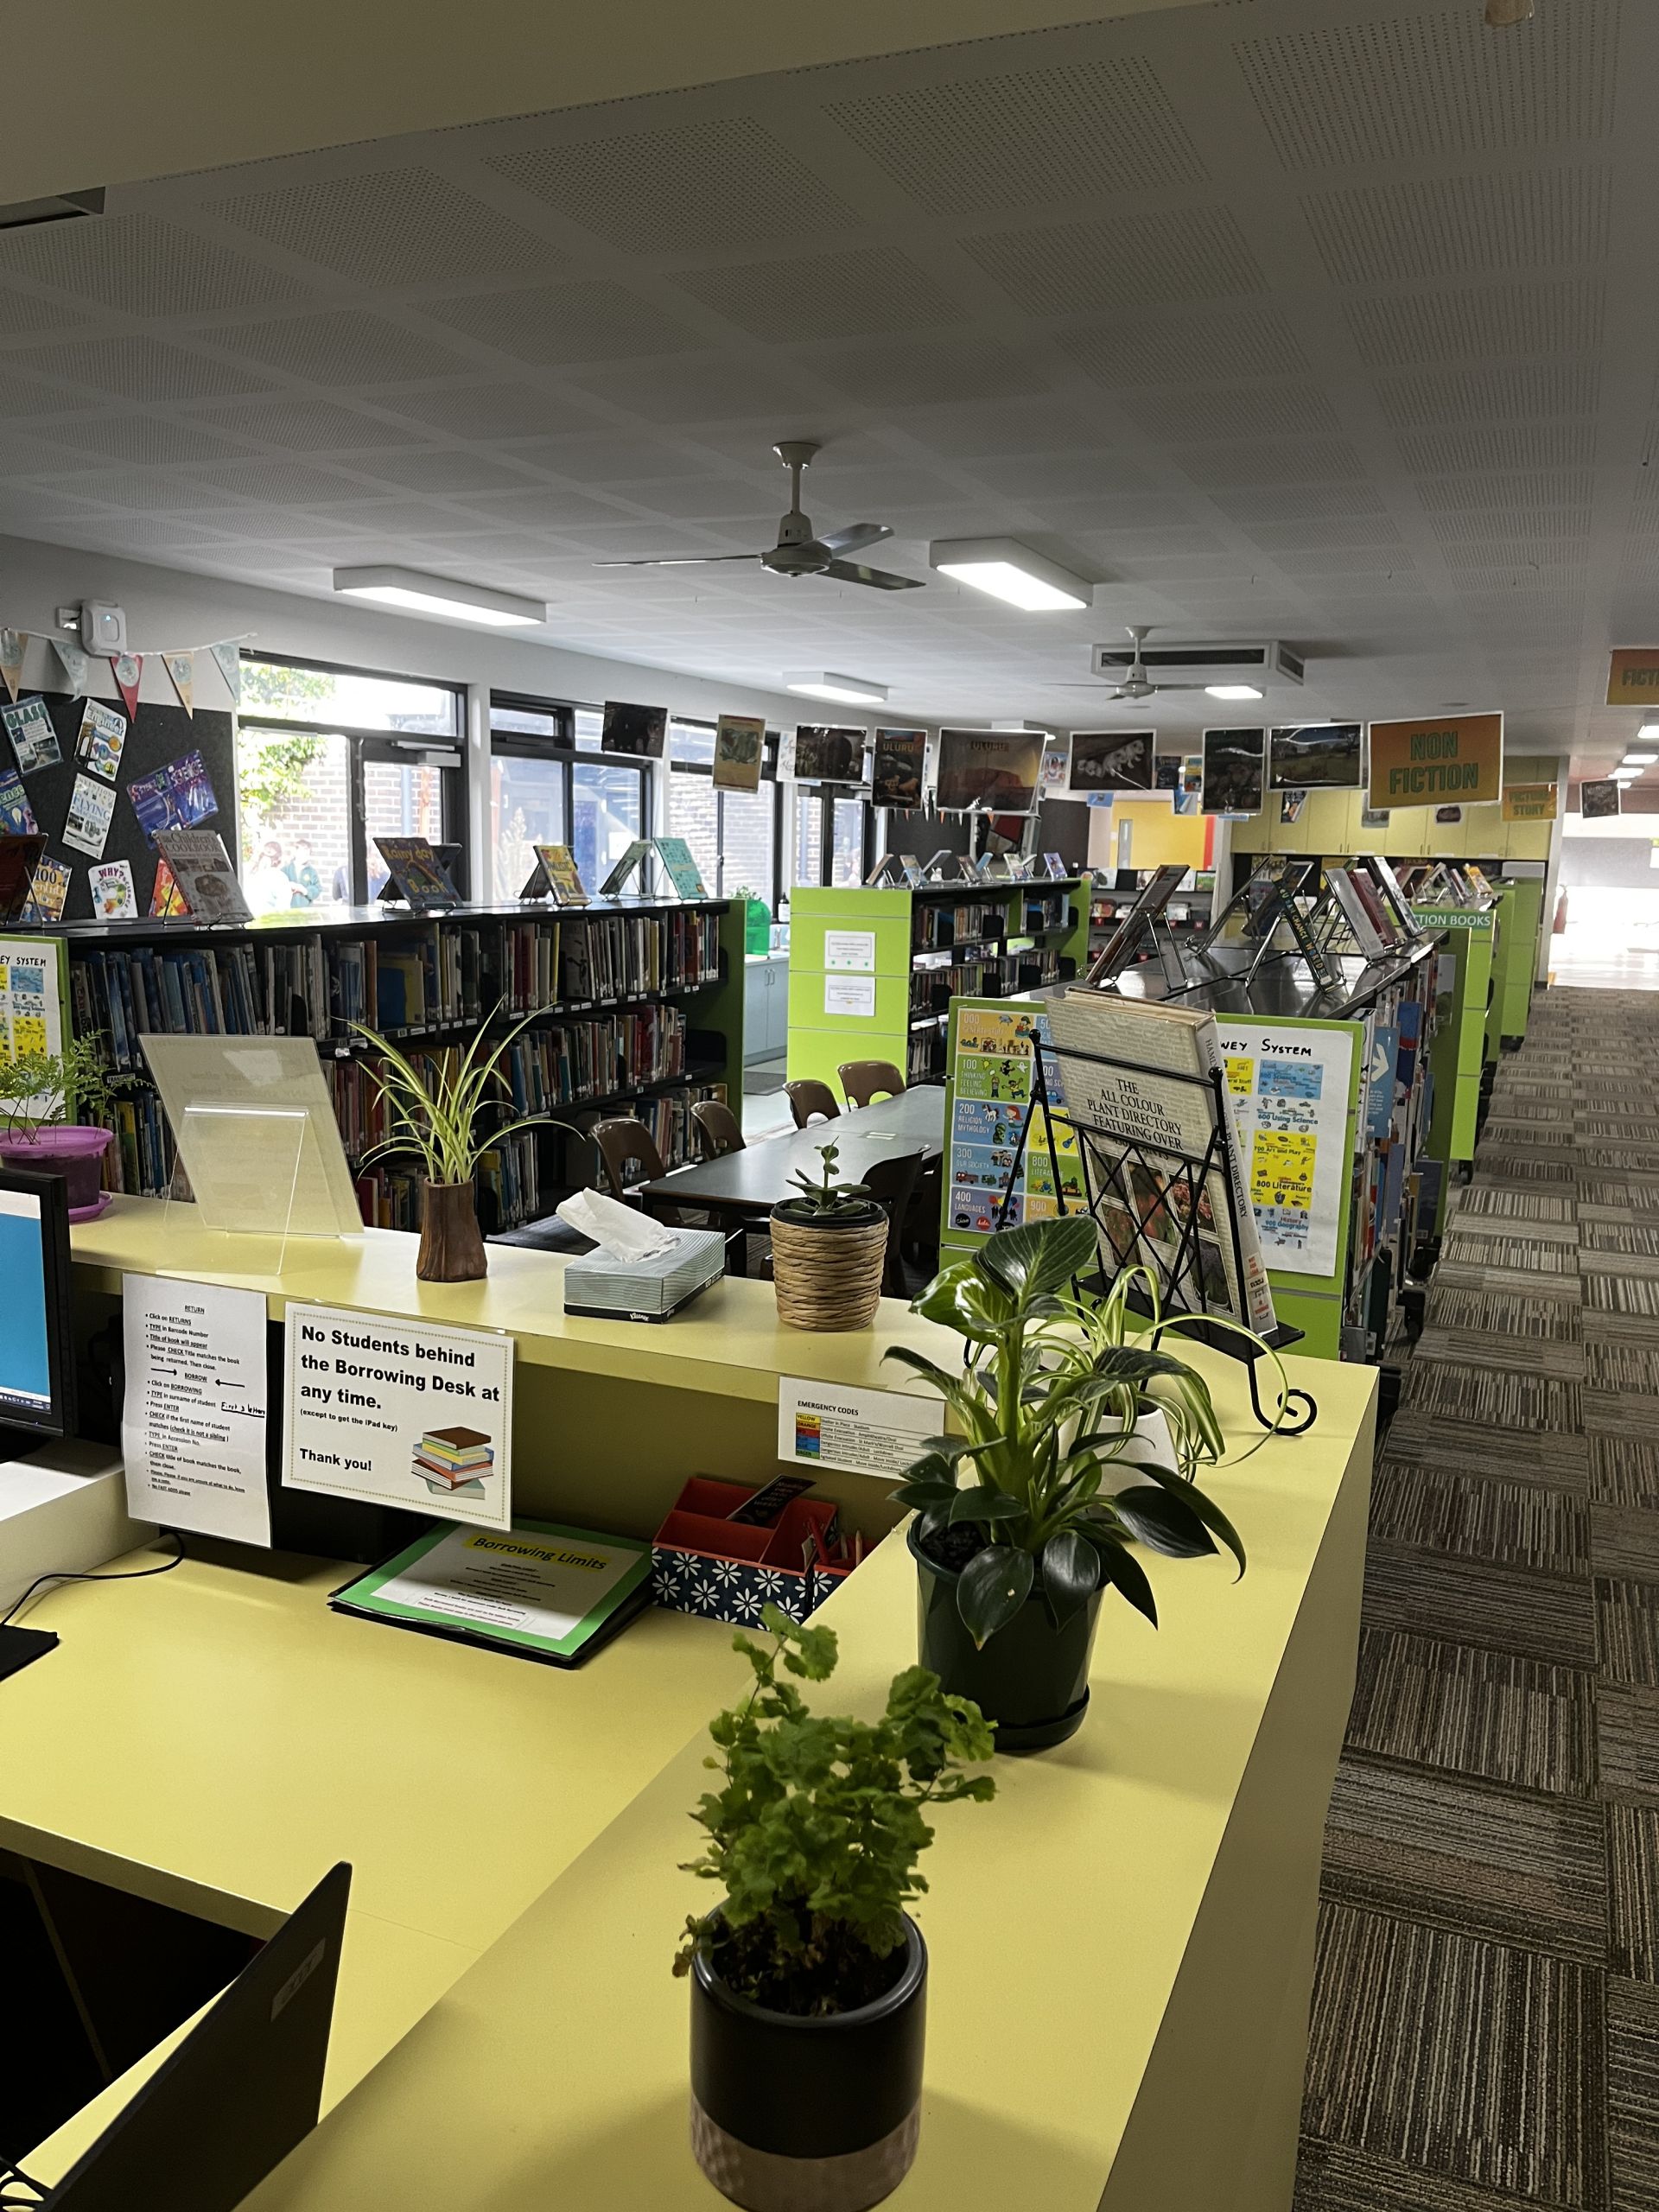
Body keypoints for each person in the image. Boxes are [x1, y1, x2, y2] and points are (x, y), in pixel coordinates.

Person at [247, 838, 290, 915]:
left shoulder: (279, 877)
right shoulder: (250, 874)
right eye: (263, 854)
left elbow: (283, 908)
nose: (265, 858)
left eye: (270, 855)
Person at [284, 837, 321, 907]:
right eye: (302, 853)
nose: (304, 856)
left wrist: (305, 890)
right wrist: (289, 886)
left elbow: (317, 889)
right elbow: (278, 888)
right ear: (295, 852)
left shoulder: (311, 872)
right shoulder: (286, 869)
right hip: (289, 909)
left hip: (306, 910)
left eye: (307, 854)